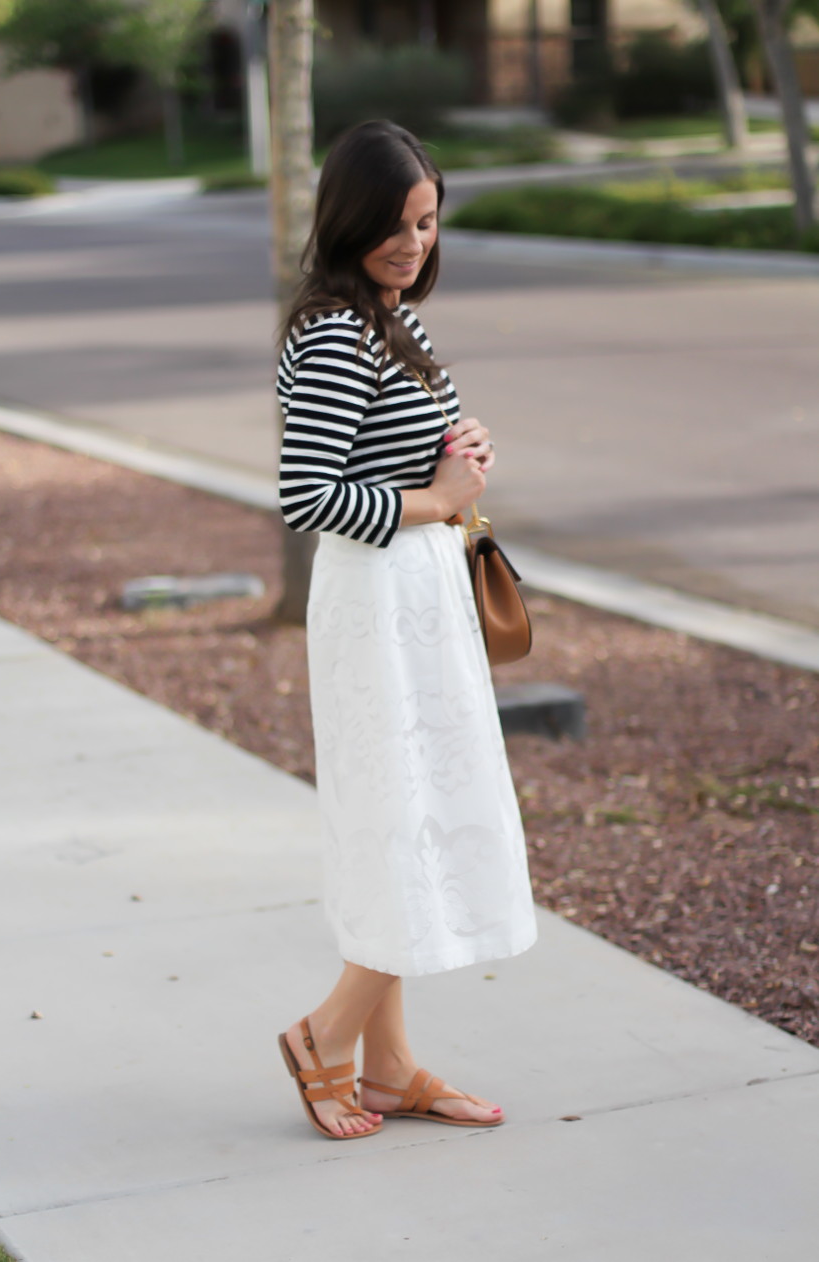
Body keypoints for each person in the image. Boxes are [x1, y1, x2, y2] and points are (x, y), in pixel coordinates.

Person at [276, 120, 537, 1140]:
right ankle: (323, 1036)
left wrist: (462, 452)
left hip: (415, 599)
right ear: (349, 220)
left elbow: (411, 456)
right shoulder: (340, 329)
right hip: (377, 606)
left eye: (426, 221)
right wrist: (435, 497)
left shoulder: (389, 318)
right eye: (391, 224)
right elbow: (308, 494)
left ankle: (388, 1066)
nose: (412, 241)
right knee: (408, 817)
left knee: (402, 813)